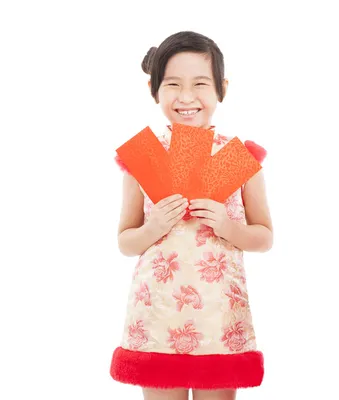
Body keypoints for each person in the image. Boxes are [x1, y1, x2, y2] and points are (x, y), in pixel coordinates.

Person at [110, 31, 273, 400]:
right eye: (172, 85)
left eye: (200, 83)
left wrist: (228, 226)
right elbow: (125, 241)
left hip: (218, 316)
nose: (186, 97)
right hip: (158, 312)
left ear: (221, 89)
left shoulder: (240, 159)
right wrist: (154, 226)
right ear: (154, 90)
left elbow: (264, 237)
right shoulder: (142, 160)